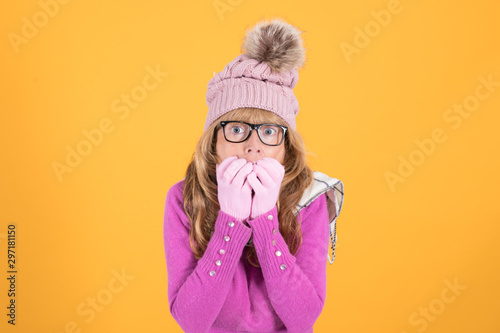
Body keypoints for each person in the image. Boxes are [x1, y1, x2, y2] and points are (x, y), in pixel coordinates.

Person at [163, 17, 344, 333]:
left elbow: (302, 318)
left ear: (286, 146)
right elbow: (191, 320)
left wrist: (265, 221)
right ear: (213, 141)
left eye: (269, 132)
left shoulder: (310, 198)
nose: (253, 147)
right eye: (236, 129)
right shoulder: (183, 198)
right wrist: (230, 222)